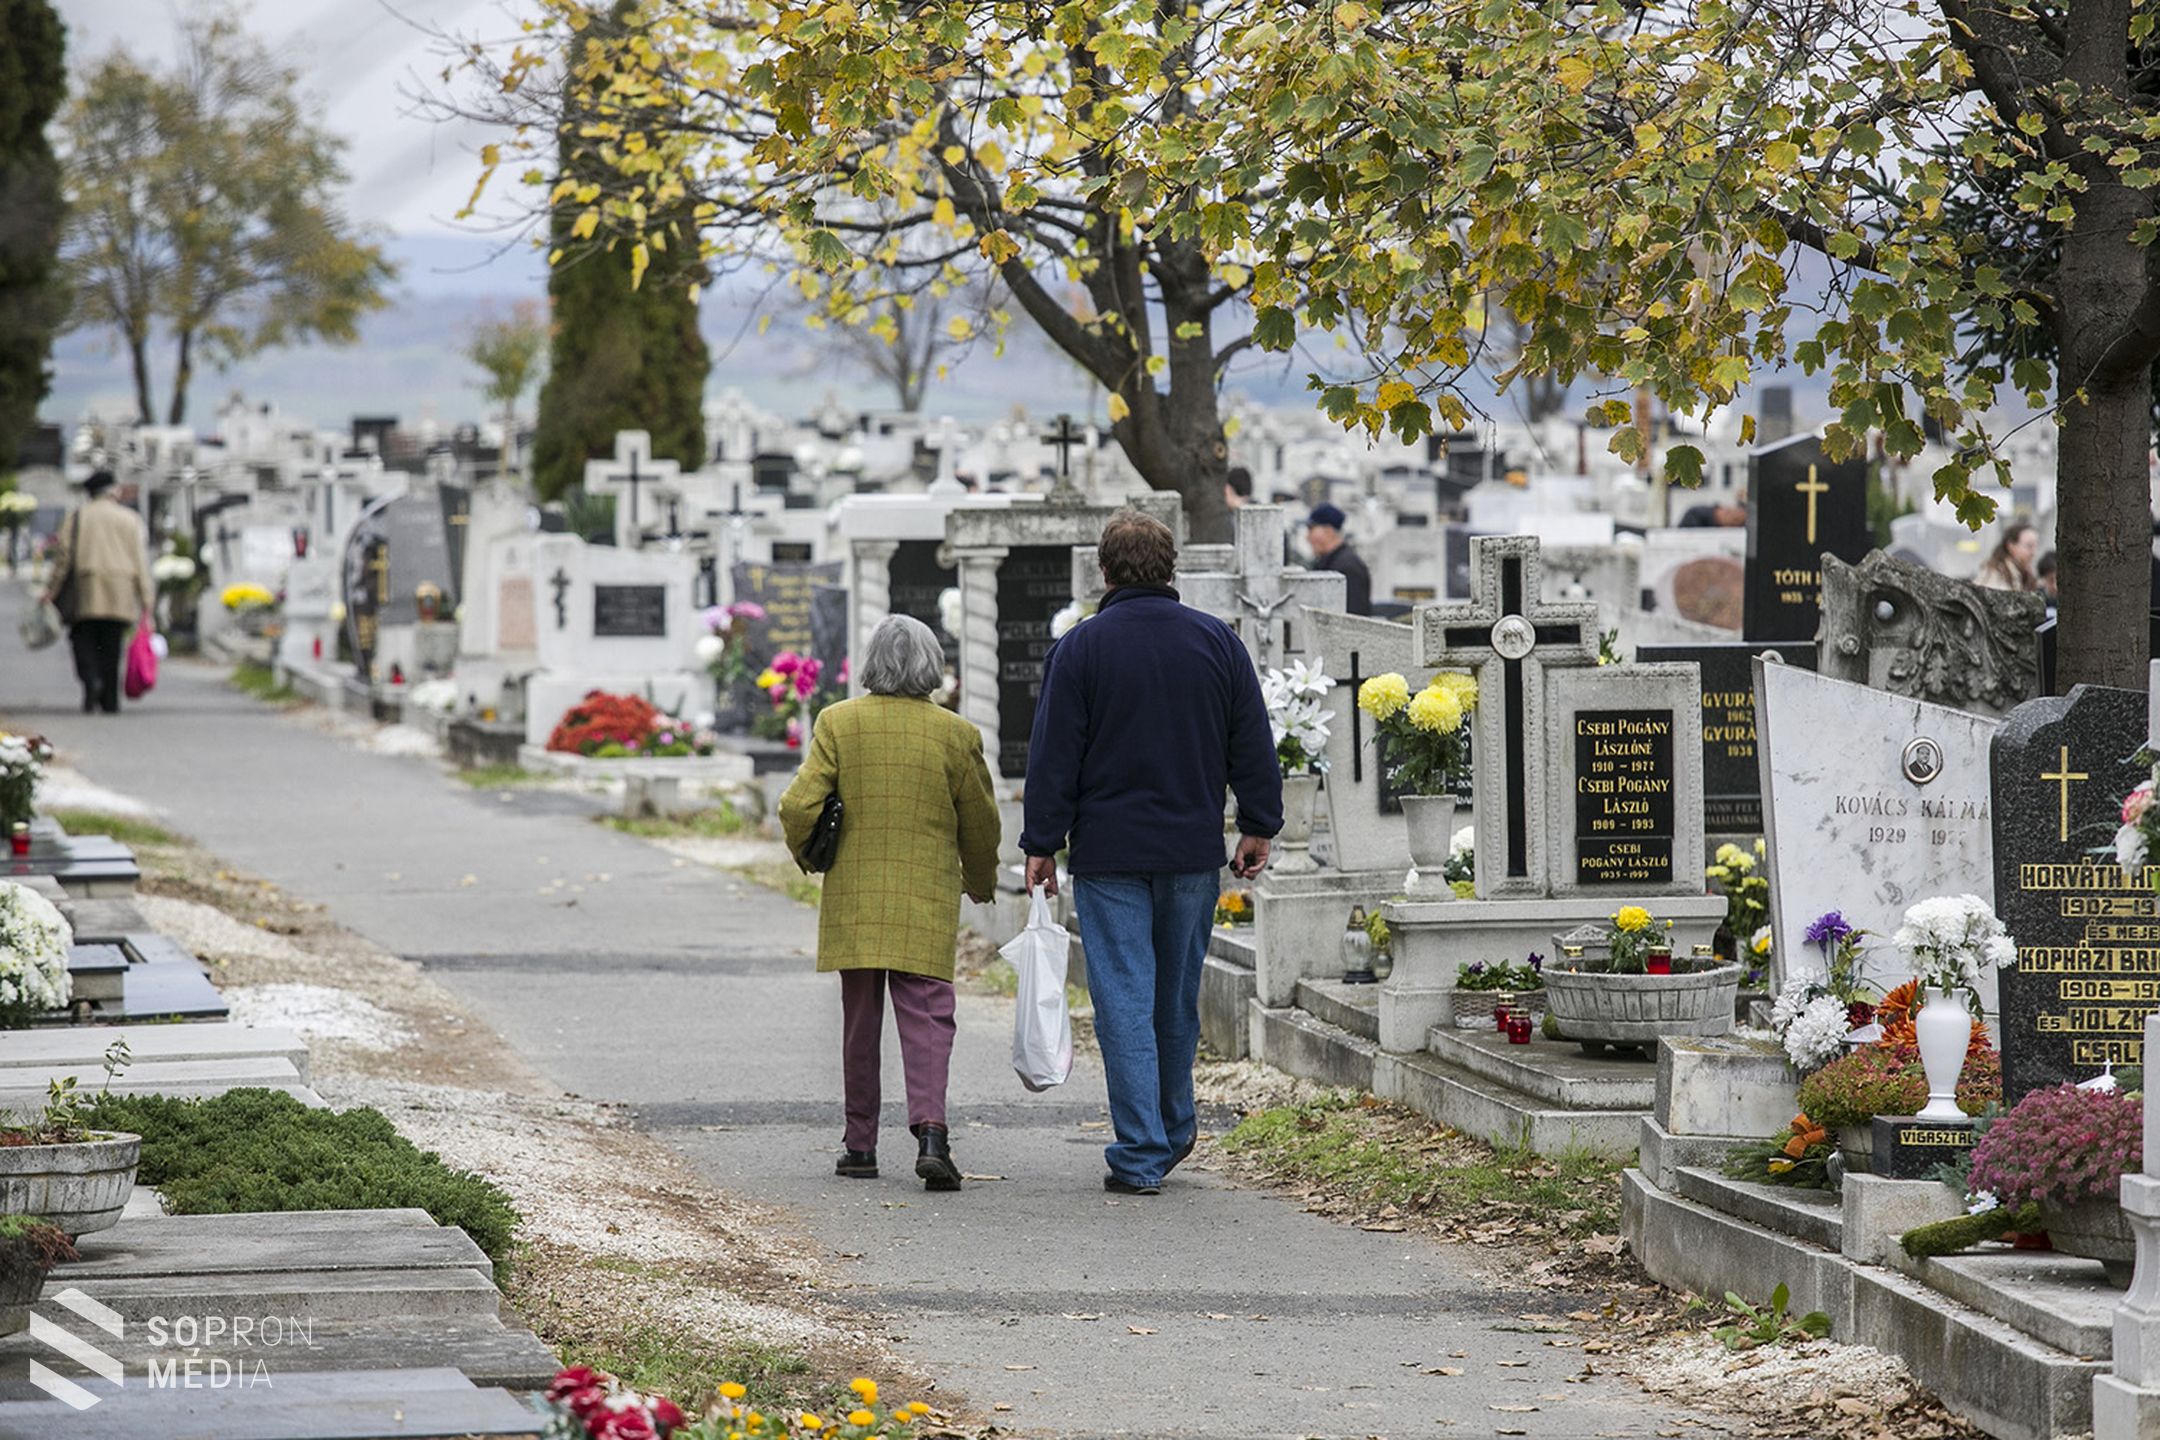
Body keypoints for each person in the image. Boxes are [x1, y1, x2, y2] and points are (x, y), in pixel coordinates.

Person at [1021, 510, 1280, 1195]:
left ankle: (1142, 1149)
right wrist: (1257, 824)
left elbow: (1054, 759)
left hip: (1108, 854)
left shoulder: (1080, 649)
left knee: (1124, 1000)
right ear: (1172, 570)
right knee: (1174, 997)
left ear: (1103, 572)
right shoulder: (1216, 644)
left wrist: (1041, 843)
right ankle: (1175, 1125)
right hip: (1192, 851)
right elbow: (1251, 741)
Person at [779, 615, 1001, 1192]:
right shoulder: (956, 734)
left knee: (859, 1022)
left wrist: (809, 853)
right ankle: (931, 1134)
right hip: (924, 893)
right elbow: (980, 822)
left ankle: (859, 1146)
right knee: (928, 1016)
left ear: (871, 663)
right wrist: (979, 880)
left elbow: (798, 804)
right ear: (932, 666)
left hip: (855, 894)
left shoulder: (838, 722)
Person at [41, 470, 152, 715]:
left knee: (83, 640)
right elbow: (141, 562)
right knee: (112, 646)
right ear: (113, 490)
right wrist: (147, 601)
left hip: (86, 588)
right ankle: (110, 700)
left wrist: (51, 590)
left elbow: (63, 558)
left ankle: (91, 680)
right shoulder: (130, 519)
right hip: (120, 590)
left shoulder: (77, 517)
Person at [1304, 502, 1372, 615]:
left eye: (1311, 529)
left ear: (1328, 531)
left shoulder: (1348, 567)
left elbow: (1355, 617)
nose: (1307, 537)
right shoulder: (1330, 562)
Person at [1976, 520, 2040, 592]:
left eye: (2035, 546)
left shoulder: (2024, 576)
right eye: (2029, 546)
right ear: (2011, 546)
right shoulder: (1994, 575)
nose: (2034, 553)